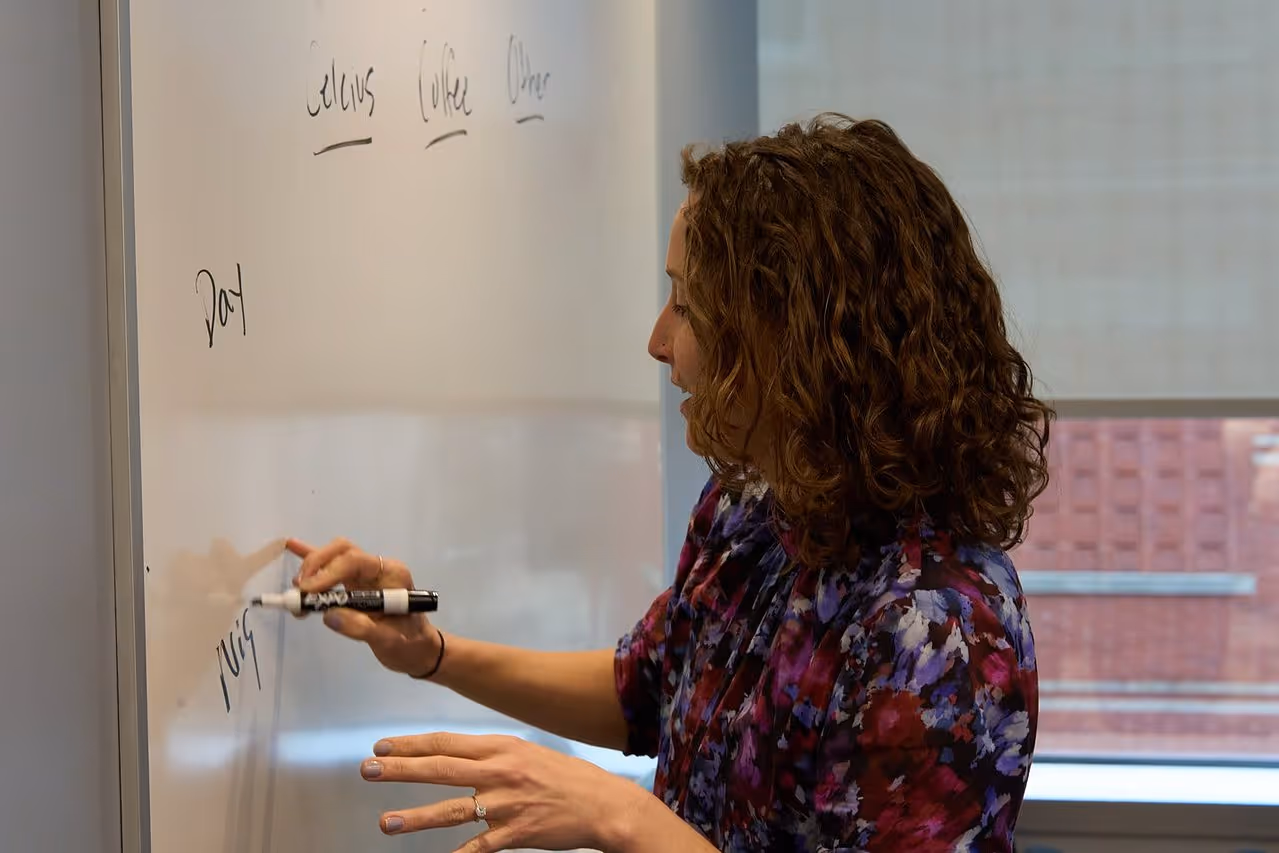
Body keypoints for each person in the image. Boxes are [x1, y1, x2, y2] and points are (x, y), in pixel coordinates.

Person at [287, 113, 1053, 852]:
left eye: (686, 305)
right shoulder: (755, 507)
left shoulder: (936, 627)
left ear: (792, 342)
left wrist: (618, 816)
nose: (658, 342)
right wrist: (431, 652)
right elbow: (645, 690)